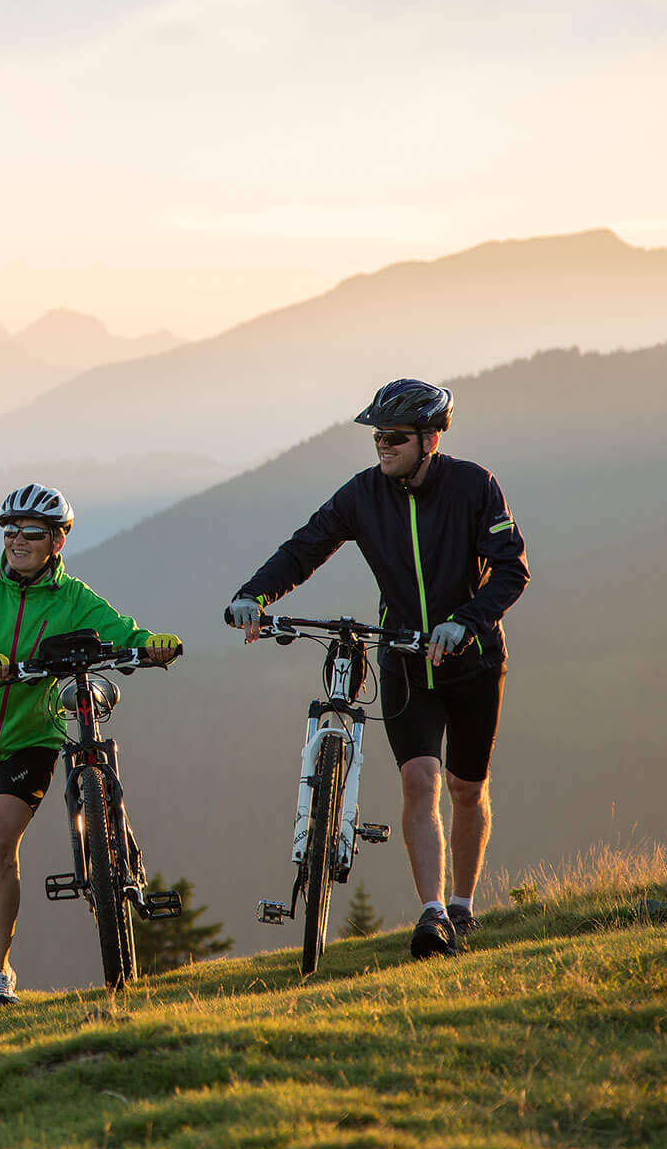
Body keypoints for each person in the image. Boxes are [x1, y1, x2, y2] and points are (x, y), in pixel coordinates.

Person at [227, 378, 528, 960]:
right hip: (404, 660)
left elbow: (512, 569)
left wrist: (466, 621)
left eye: (393, 437)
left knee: (467, 790)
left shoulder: (473, 487)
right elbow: (305, 547)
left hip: (473, 660)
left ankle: (464, 906)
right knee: (420, 780)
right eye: (376, 438)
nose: (382, 447)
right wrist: (255, 594)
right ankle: (433, 915)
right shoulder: (364, 495)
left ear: (430, 439)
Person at [0, 483, 182, 1006]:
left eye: (31, 534)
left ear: (56, 543)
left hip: (32, 739)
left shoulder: (73, 599)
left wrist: (154, 644)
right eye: (10, 531)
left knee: (0, 845)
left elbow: (122, 632)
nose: (17, 541)